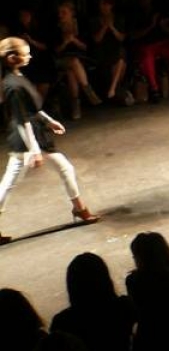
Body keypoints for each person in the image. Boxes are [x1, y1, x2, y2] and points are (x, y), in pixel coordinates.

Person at [0, 36, 99, 245]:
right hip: (26, 139)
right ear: (12, 58)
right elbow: (21, 120)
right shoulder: (12, 85)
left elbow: (32, 109)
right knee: (9, 183)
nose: (29, 56)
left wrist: (49, 121)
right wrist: (34, 150)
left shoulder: (18, 77)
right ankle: (80, 209)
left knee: (64, 168)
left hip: (34, 134)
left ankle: (79, 208)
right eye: (25, 53)